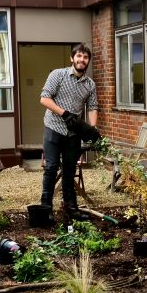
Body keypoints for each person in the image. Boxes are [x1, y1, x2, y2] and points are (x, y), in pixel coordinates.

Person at [39, 43, 98, 221]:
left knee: (70, 169)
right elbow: (44, 98)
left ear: (88, 61)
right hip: (54, 127)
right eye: (79, 56)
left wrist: (91, 129)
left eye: (85, 57)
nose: (82, 60)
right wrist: (64, 114)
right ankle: (45, 209)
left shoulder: (90, 84)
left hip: (73, 133)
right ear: (72, 58)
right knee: (51, 167)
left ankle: (70, 208)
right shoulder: (57, 75)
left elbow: (93, 107)